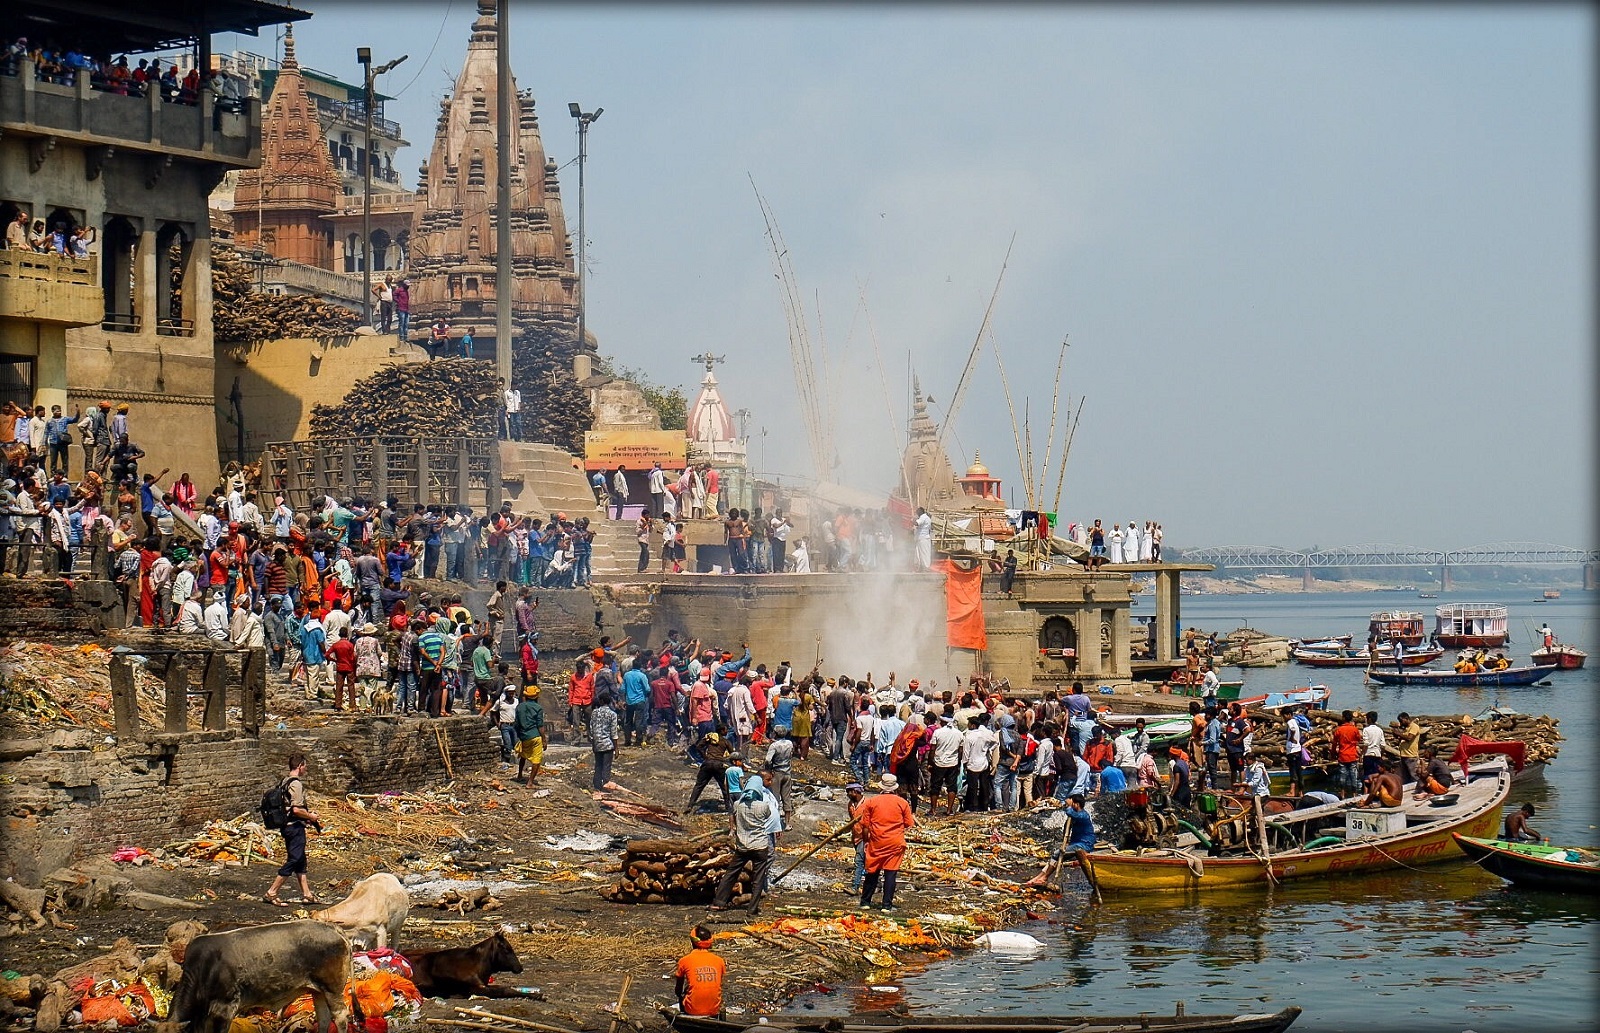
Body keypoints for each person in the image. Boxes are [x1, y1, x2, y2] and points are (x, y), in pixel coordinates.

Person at [710, 775, 776, 916]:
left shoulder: (737, 805)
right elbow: (768, 815)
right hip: (760, 846)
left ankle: (718, 902)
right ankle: (752, 909)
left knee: (731, 874)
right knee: (758, 878)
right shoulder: (763, 806)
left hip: (743, 846)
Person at [263, 752, 322, 907]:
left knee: (300, 860)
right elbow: (296, 809)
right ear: (300, 765)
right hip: (294, 828)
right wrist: (311, 816)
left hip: (287, 825)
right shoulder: (296, 784)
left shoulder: (284, 781)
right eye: (305, 766)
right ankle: (272, 892)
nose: (306, 769)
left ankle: (307, 894)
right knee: (294, 859)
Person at [857, 772, 915, 911]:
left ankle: (865, 902)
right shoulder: (902, 803)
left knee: (872, 872)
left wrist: (866, 841)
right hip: (895, 842)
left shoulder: (872, 802)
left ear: (881, 786)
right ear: (895, 788)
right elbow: (908, 823)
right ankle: (886, 905)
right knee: (890, 874)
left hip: (876, 842)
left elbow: (865, 826)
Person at [674, 925, 726, 1019]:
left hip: (692, 1010)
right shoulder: (719, 961)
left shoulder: (684, 960)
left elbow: (678, 991)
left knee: (684, 992)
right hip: (713, 1010)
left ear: (692, 942)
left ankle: (685, 1015)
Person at [514, 685, 546, 787]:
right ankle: (530, 782)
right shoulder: (538, 708)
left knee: (523, 756)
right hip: (535, 736)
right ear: (536, 696)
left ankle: (519, 775)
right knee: (536, 760)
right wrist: (544, 740)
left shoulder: (519, 707)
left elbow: (516, 723)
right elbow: (540, 726)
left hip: (524, 737)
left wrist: (520, 735)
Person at [590, 691, 621, 793]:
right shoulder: (612, 714)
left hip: (597, 744)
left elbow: (591, 729)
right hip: (608, 745)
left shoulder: (594, 712)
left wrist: (593, 742)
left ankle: (597, 786)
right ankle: (605, 785)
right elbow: (614, 733)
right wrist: (616, 748)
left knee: (598, 765)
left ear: (601, 701)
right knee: (606, 767)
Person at [1332, 710, 1363, 799]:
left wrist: (1333, 753)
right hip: (1352, 756)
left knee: (1342, 777)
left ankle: (1342, 794)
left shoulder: (1339, 730)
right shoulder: (1354, 729)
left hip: (1342, 756)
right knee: (1353, 776)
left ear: (1344, 718)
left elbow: (1334, 743)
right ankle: (1354, 794)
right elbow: (1358, 739)